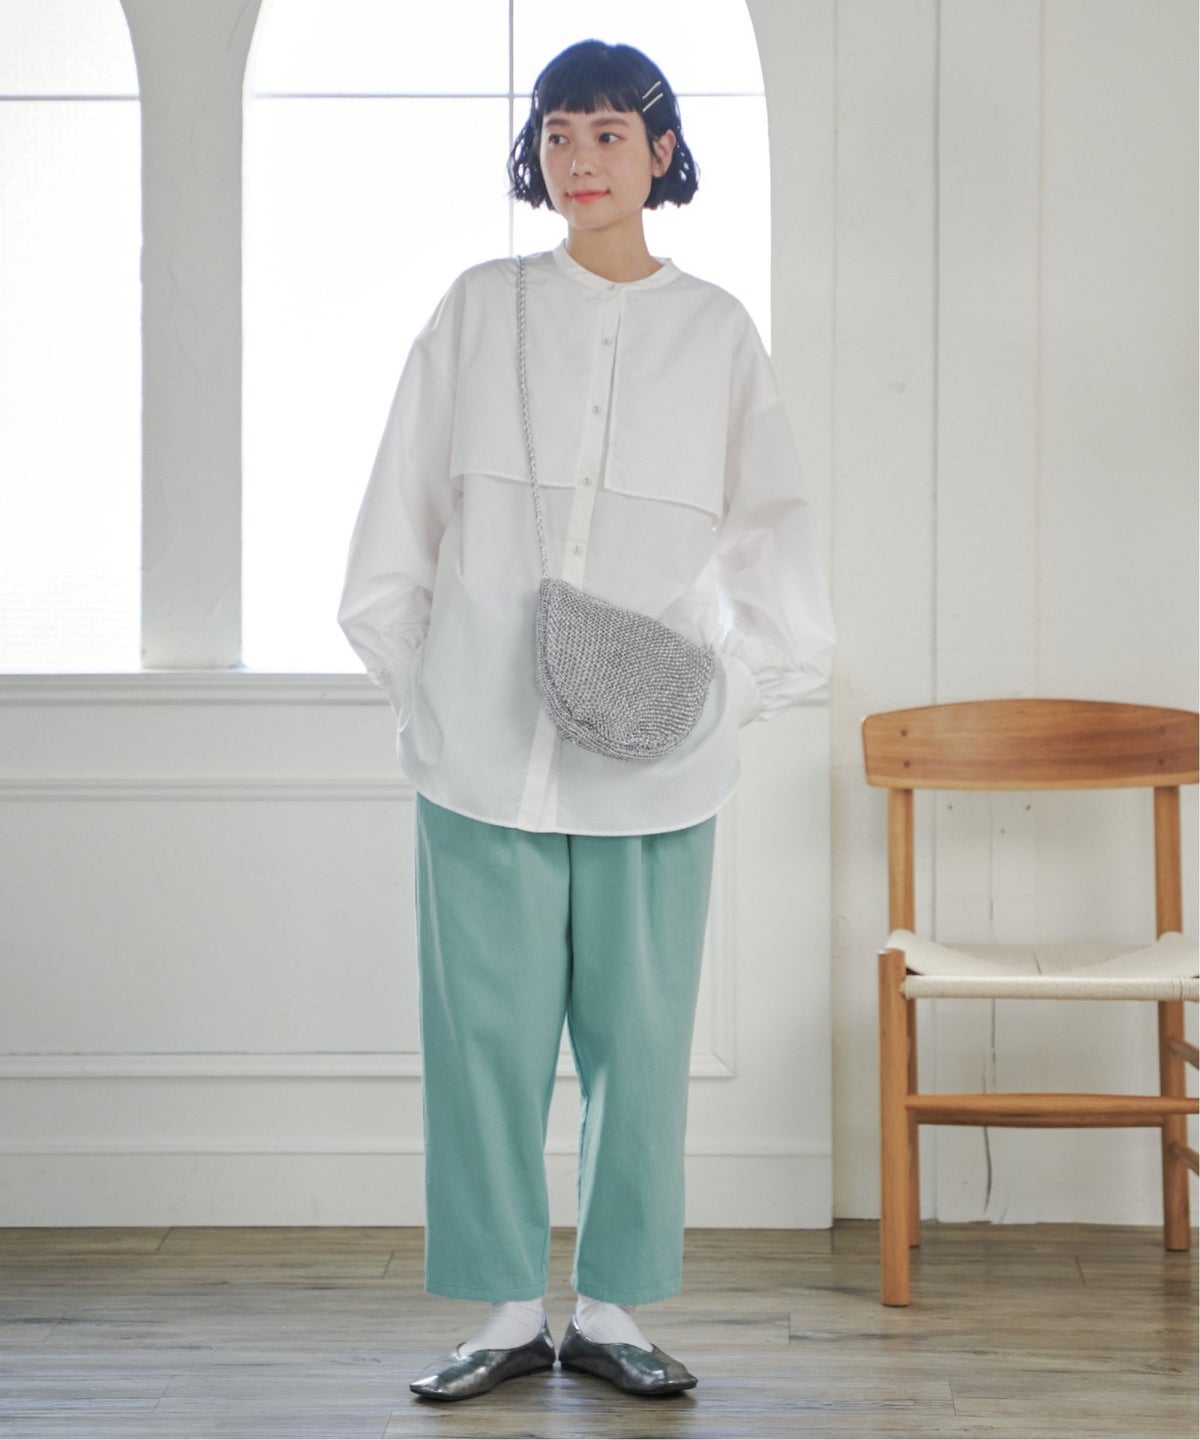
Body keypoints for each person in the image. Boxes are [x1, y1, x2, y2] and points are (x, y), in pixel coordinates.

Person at [337, 37, 836, 1403]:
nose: (580, 159)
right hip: (480, 753)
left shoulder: (716, 332)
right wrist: (427, 688)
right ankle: (505, 1311)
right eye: (558, 132)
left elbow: (773, 532)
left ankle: (612, 1311)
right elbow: (400, 515)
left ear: (663, 151)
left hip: (657, 762)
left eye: (610, 133)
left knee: (641, 1044)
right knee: (482, 1048)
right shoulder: (479, 307)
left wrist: (730, 695)